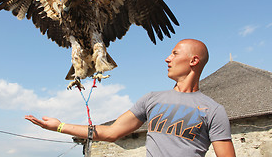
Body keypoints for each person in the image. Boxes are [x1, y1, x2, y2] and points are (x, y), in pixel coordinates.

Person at [25, 39, 236, 157]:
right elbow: (110, 132)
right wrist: (60, 126)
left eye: (174, 53)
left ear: (194, 60)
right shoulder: (153, 99)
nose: (167, 58)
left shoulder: (213, 110)